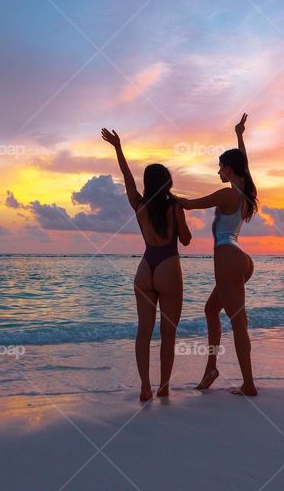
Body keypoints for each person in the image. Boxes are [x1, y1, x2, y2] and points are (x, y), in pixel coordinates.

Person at [101, 128, 192, 400]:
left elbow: (127, 180)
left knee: (143, 332)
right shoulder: (174, 208)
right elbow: (186, 240)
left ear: (148, 184)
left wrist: (118, 147)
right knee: (168, 334)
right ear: (167, 183)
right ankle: (163, 387)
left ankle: (144, 387)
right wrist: (182, 215)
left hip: (145, 267)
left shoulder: (139, 206)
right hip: (168, 267)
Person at [177, 114, 258, 396]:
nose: (218, 171)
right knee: (211, 310)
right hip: (240, 259)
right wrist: (239, 135)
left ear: (229, 167)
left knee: (238, 323)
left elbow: (189, 204)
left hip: (228, 259)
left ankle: (248, 383)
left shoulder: (227, 195)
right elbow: (245, 166)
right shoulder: (245, 192)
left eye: (221, 166)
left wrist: (162, 195)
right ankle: (211, 368)